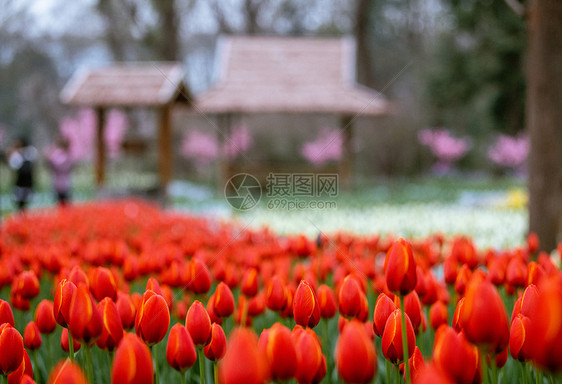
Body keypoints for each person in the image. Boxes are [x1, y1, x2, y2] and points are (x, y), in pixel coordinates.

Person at [7, 137, 37, 212]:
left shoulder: (29, 151)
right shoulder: (16, 155)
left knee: (26, 199)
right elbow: (14, 165)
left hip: (27, 181)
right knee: (19, 200)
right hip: (20, 181)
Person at [45, 137, 73, 206]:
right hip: (60, 181)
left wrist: (50, 158)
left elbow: (58, 165)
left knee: (63, 201)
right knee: (61, 202)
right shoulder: (59, 154)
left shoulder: (65, 155)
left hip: (62, 182)